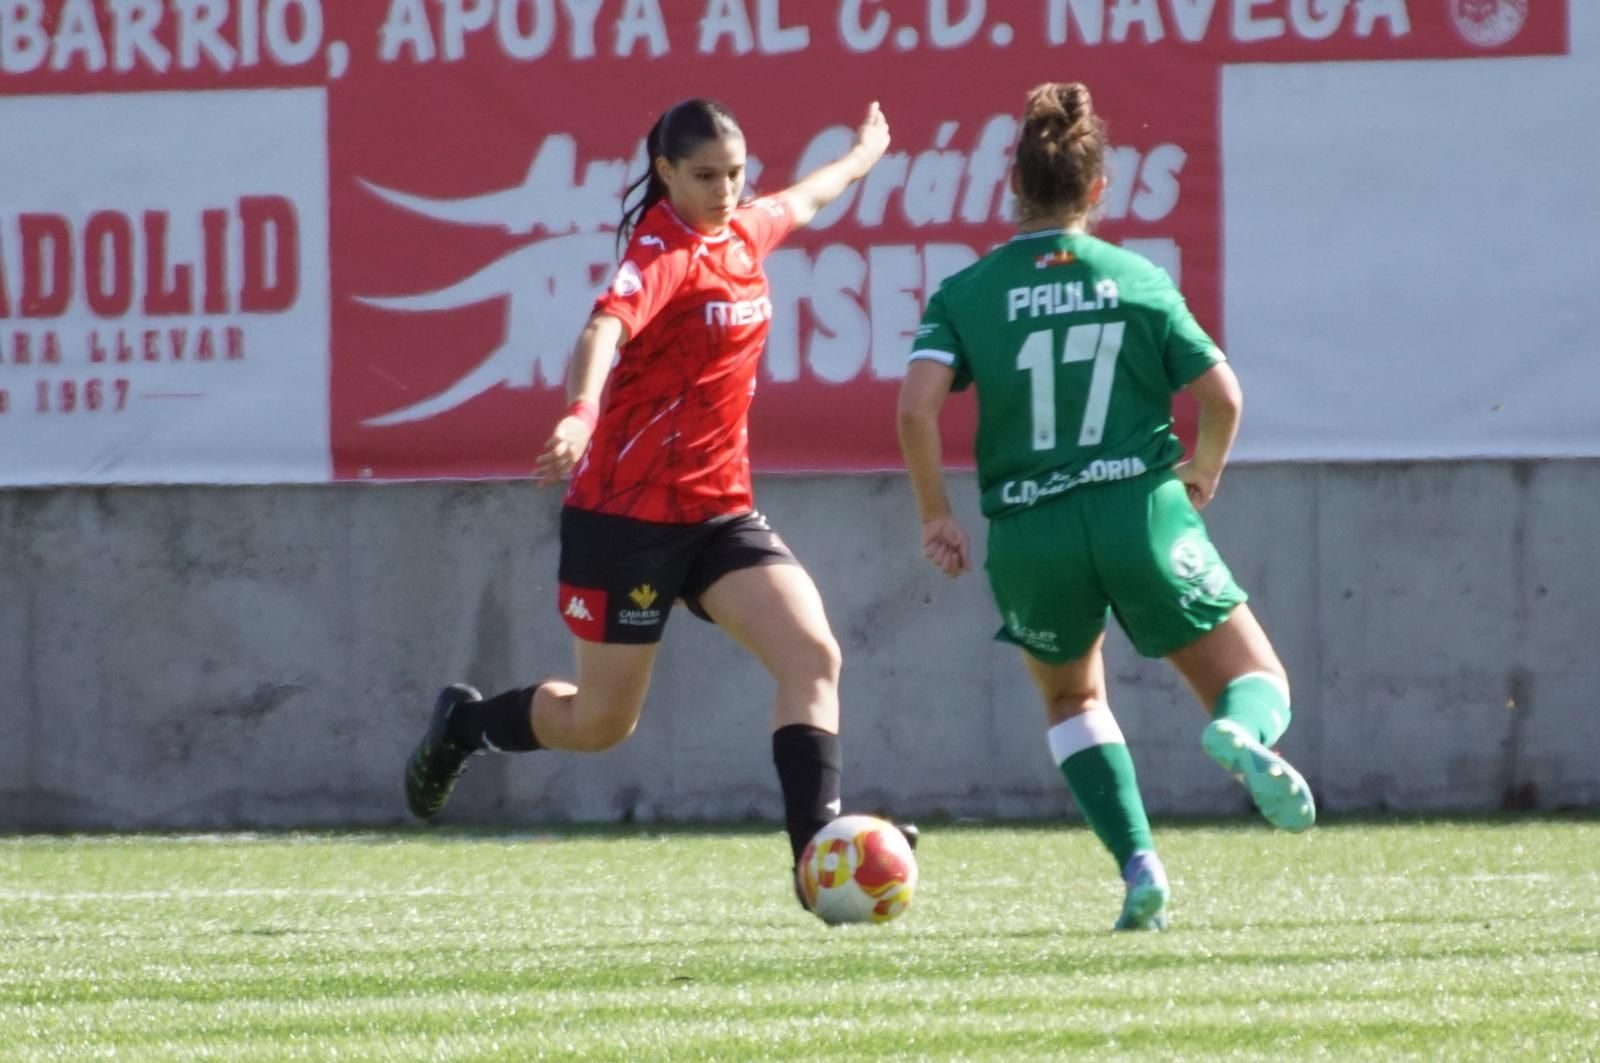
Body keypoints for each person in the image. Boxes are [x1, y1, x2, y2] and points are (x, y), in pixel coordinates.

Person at [404, 97, 909, 897]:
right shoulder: (662, 251)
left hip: (718, 515)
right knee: (601, 724)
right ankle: (462, 727)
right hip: (626, 521)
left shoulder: (743, 232)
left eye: (736, 173)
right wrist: (580, 412)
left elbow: (805, 198)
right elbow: (603, 328)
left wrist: (861, 157)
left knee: (813, 655)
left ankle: (815, 857)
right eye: (704, 175)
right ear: (666, 172)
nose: (724, 189)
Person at [896, 82, 1314, 931]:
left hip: (1030, 530)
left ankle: (1138, 865)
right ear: (1097, 190)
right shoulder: (1139, 278)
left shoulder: (968, 292)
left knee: (1073, 703)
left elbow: (915, 408)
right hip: (1140, 510)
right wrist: (1200, 471)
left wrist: (936, 513)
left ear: (1014, 187)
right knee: (1255, 677)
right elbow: (1223, 396)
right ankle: (1240, 734)